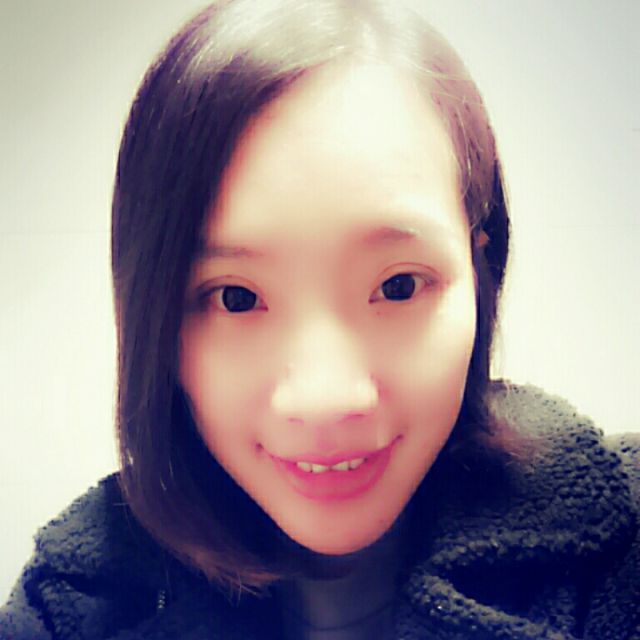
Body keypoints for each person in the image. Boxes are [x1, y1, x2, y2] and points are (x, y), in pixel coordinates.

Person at [2, 1, 638, 638]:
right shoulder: (74, 606)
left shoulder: (619, 543)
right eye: (236, 298)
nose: (326, 400)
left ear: (479, 270)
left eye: (397, 286)